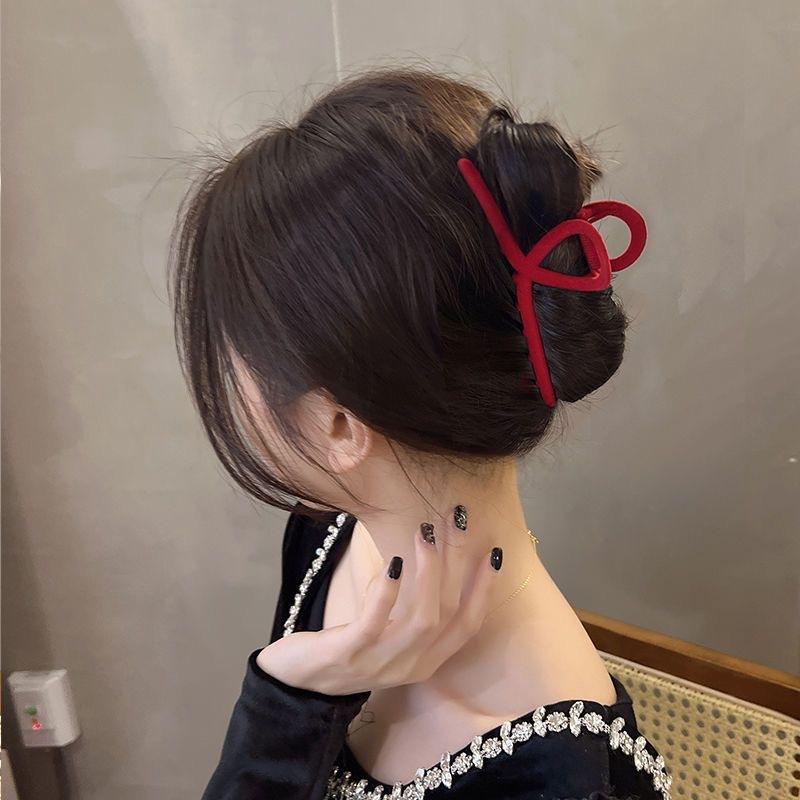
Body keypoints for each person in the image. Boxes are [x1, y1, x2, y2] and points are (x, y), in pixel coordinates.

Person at [169, 66, 673, 800]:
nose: (227, 380)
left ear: (339, 425)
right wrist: (293, 689)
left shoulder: (562, 776)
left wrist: (285, 710)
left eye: (236, 354)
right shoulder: (330, 534)